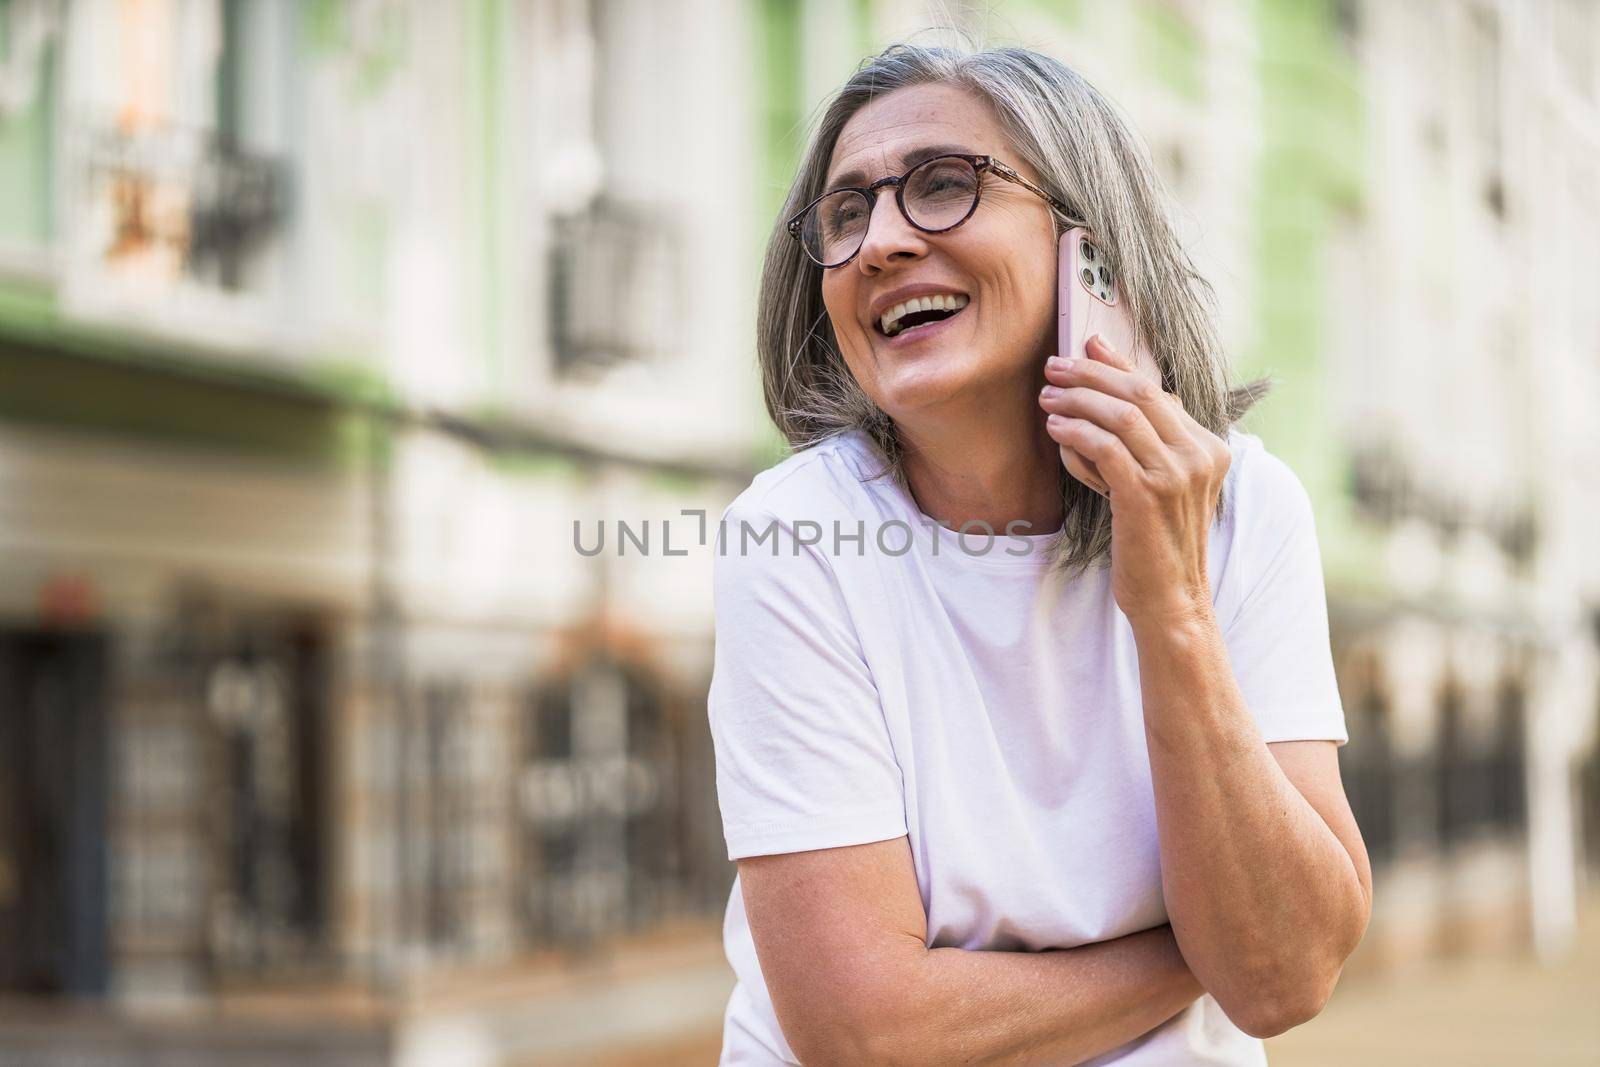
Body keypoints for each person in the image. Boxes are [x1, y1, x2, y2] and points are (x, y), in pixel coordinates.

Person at [708, 40, 1371, 1066]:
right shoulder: (793, 535)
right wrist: (1202, 951)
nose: (879, 241)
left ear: (1088, 249)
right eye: (845, 213)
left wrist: (1175, 611)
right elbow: (867, 1033)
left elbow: (1286, 977)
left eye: (942, 186)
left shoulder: (1249, 509)